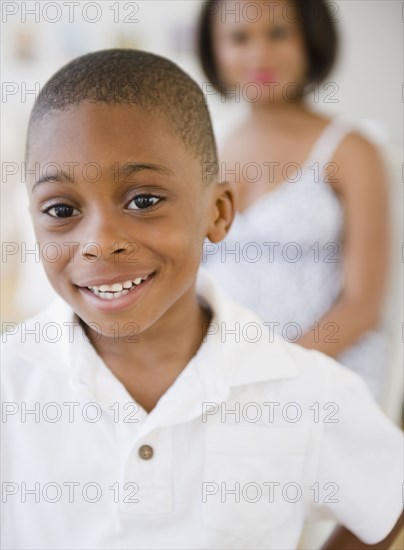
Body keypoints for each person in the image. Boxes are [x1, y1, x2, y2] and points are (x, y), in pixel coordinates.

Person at [1, 49, 402, 550]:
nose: (99, 242)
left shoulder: (302, 390)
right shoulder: (12, 382)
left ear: (217, 212)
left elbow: (389, 502)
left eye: (143, 200)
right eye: (61, 209)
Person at [197, 0, 391, 403]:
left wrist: (271, 371)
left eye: (279, 34)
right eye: (239, 38)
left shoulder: (351, 150)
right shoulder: (204, 153)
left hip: (327, 375)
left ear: (312, 40)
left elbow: (363, 305)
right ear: (214, 49)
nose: (259, 54)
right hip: (221, 375)